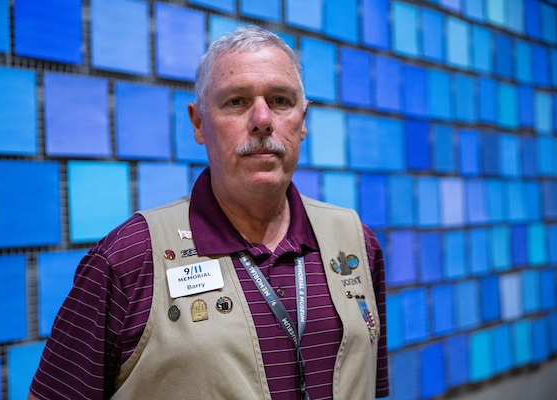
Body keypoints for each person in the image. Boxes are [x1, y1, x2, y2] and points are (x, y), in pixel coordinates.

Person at [28, 25, 388, 400]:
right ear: (198, 123)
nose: (263, 119)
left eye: (281, 100)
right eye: (236, 101)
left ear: (303, 120)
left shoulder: (356, 241)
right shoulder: (127, 260)